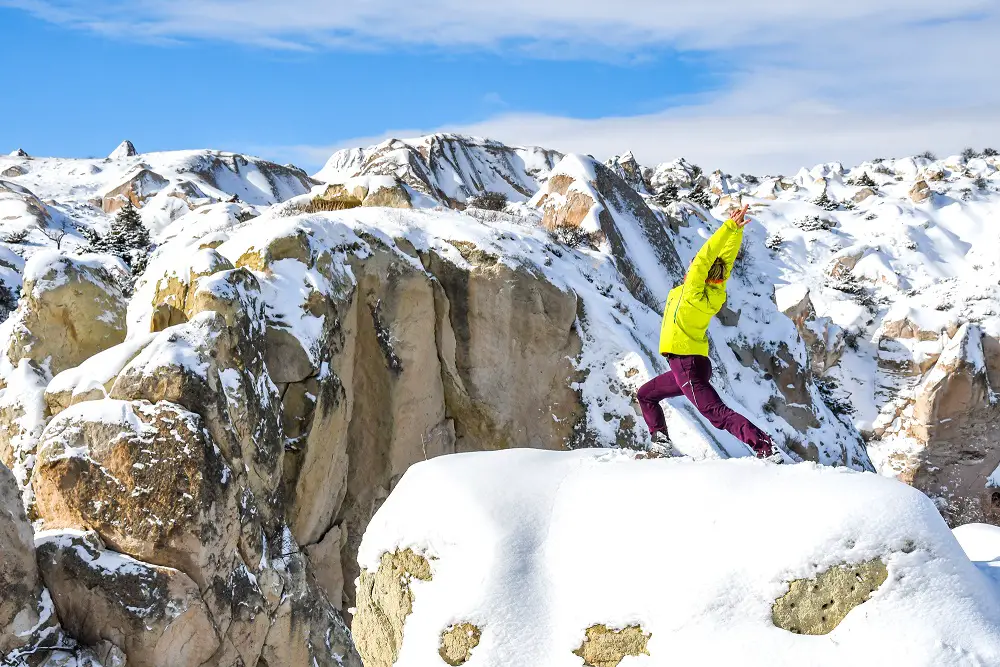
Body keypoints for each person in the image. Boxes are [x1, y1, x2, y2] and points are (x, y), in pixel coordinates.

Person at [637, 204, 780, 460]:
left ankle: (765, 446)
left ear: (699, 273)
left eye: (694, 265)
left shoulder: (693, 290)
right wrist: (735, 232)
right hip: (691, 365)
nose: (691, 264)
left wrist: (727, 227)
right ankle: (660, 444)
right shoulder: (715, 290)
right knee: (646, 394)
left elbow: (707, 256)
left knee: (716, 413)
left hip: (687, 364)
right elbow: (724, 260)